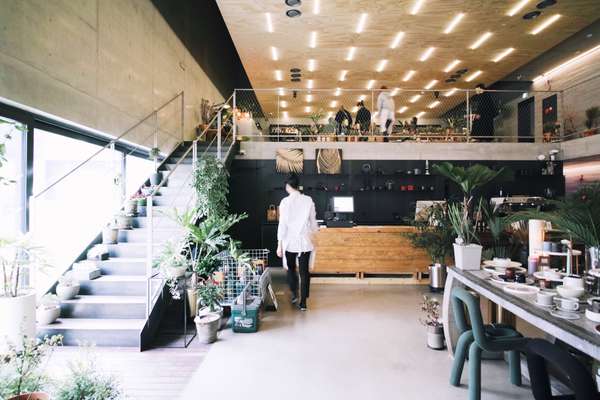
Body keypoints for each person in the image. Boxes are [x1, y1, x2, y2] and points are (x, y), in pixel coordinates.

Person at [276, 174, 319, 311]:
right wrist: (314, 235)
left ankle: (295, 293)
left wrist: (279, 245)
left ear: (288, 186)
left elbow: (282, 225)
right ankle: (303, 302)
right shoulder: (308, 200)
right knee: (304, 272)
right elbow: (313, 223)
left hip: (289, 242)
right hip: (304, 242)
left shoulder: (284, 202)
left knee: (291, 269)